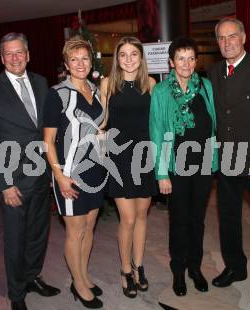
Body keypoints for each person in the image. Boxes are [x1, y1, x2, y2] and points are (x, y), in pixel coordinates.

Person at [0, 32, 60, 310]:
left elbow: (45, 132)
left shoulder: (41, 83)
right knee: (15, 239)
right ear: (1, 58)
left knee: (38, 233)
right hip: (13, 179)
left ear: (28, 54)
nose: (15, 58)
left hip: (41, 176)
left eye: (19, 52)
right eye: (9, 54)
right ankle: (16, 294)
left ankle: (32, 277)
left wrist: (52, 172)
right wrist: (4, 184)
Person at [207, 17, 250, 302]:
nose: (227, 43)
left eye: (232, 36)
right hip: (225, 161)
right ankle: (235, 268)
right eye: (221, 38)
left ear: (245, 37)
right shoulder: (212, 72)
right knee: (228, 218)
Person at [150, 36, 218, 297]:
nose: (187, 63)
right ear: (171, 62)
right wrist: (161, 172)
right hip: (176, 168)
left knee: (197, 221)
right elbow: (156, 131)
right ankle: (178, 270)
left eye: (191, 58)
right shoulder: (161, 91)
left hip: (202, 166)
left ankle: (195, 267)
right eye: (181, 58)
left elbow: (212, 125)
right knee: (179, 221)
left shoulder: (206, 87)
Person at [43, 37, 105, 309]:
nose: (80, 64)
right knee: (75, 231)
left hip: (96, 170)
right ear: (66, 64)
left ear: (91, 61)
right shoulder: (57, 94)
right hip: (70, 172)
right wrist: (59, 176)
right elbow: (47, 141)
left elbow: (100, 126)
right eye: (74, 59)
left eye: (84, 58)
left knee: (90, 227)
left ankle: (84, 275)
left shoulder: (97, 90)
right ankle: (78, 284)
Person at [100, 36, 157, 299]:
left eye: (134, 54)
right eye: (123, 54)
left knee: (142, 216)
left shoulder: (151, 84)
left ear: (141, 57)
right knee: (129, 218)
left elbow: (156, 123)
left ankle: (139, 265)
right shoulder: (108, 84)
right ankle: (125, 270)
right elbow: (102, 123)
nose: (129, 59)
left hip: (144, 157)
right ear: (117, 59)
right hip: (120, 159)